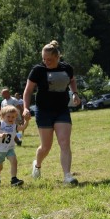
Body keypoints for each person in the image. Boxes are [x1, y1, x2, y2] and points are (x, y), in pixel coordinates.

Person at [22, 40, 81, 185]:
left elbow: (72, 80)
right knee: (46, 147)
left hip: (62, 110)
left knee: (64, 142)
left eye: (49, 59)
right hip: (44, 111)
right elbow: (28, 91)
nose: (46, 62)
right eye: (44, 59)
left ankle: (67, 176)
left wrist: (75, 93)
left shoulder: (67, 68)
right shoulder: (38, 70)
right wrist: (25, 108)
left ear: (57, 57)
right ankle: (37, 164)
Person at [0, 105, 30, 186]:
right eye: (8, 117)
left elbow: (22, 128)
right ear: (2, 116)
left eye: (13, 117)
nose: (10, 119)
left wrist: (27, 121)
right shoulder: (0, 124)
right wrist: (0, 135)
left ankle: (14, 179)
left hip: (9, 148)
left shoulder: (14, 126)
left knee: (14, 161)